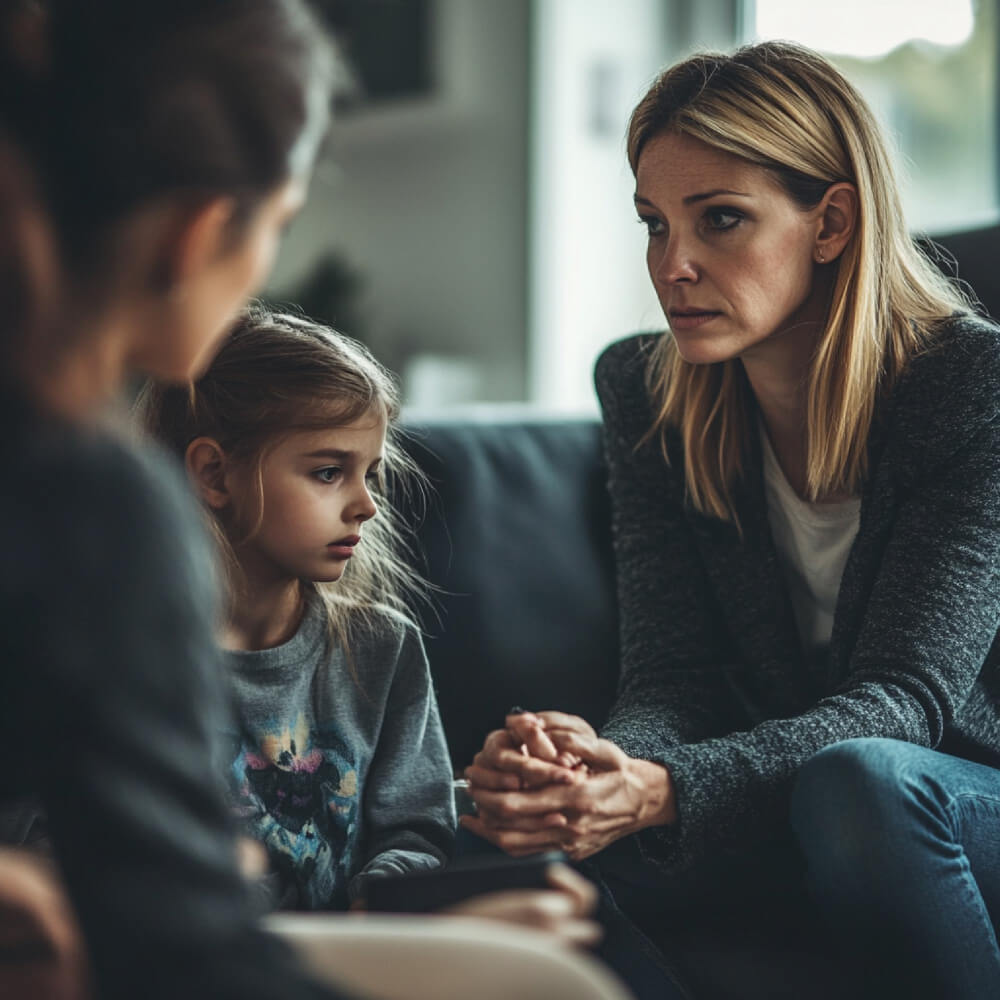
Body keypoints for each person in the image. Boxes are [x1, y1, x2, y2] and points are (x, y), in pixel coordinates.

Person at [0, 2, 596, 998]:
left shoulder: (370, 643)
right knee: (548, 983)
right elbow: (182, 950)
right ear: (198, 235)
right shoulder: (94, 507)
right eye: (274, 229)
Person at [463, 40, 1000, 999]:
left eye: (720, 222)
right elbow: (673, 673)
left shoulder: (972, 387)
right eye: (654, 225)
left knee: (861, 780)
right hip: (781, 797)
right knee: (514, 860)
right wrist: (604, 773)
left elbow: (909, 702)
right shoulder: (644, 390)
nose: (674, 267)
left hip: (950, 792)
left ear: (831, 222)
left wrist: (664, 792)